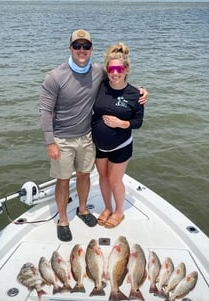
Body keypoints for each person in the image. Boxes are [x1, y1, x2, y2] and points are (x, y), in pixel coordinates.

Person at [39, 29, 147, 242]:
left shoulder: (99, 72)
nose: (81, 50)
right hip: (62, 138)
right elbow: (44, 111)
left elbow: (120, 77)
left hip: (88, 138)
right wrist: (50, 141)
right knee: (62, 181)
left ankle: (82, 209)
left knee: (84, 175)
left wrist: (142, 90)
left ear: (91, 49)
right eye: (77, 46)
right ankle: (62, 220)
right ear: (70, 48)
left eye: (86, 46)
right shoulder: (55, 76)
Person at [92, 42, 144, 228]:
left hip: (121, 145)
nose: (115, 73)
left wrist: (121, 123)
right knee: (103, 177)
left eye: (119, 68)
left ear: (126, 69)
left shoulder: (134, 94)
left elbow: (138, 121)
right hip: (99, 145)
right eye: (111, 69)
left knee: (115, 180)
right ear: (107, 70)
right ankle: (107, 207)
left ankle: (119, 211)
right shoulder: (101, 86)